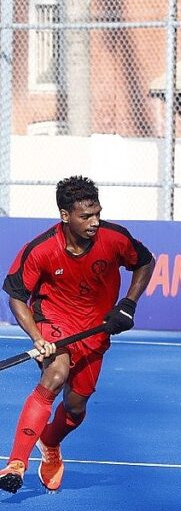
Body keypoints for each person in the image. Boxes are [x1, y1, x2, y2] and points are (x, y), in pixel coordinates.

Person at [0, 176, 155, 494]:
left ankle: (50, 441)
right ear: (65, 215)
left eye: (97, 213)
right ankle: (16, 463)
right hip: (54, 321)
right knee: (55, 375)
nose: (95, 222)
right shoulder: (41, 249)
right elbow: (16, 296)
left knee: (75, 408)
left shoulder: (115, 238)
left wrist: (128, 304)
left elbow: (145, 262)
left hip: (94, 332)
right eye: (86, 216)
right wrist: (37, 337)